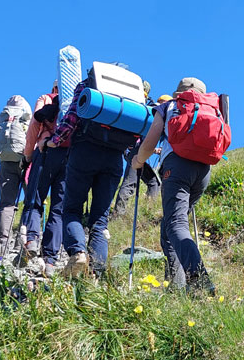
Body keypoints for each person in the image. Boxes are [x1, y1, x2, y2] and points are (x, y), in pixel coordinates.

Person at [132, 79, 215, 295]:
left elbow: (150, 141)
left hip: (176, 167)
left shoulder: (170, 106)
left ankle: (198, 278)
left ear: (179, 93)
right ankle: (177, 289)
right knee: (170, 228)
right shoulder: (212, 108)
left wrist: (138, 161)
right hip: (203, 171)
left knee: (175, 224)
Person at [46, 77, 134, 279]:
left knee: (71, 210)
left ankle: (78, 252)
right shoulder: (129, 93)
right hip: (114, 158)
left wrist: (55, 141)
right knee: (100, 221)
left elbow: (72, 118)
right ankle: (97, 274)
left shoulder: (88, 84)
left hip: (85, 151)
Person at [20, 83, 68, 276]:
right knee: (58, 208)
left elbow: (34, 124)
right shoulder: (77, 102)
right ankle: (50, 260)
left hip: (45, 150)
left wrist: (28, 155)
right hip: (69, 156)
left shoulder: (46, 99)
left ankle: (31, 239)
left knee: (34, 199)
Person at [113, 90, 163, 216]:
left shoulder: (143, 109)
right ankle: (118, 214)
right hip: (135, 150)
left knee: (153, 181)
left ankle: (148, 208)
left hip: (133, 149)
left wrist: (154, 150)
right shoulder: (152, 110)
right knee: (131, 181)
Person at [0, 95, 31, 247]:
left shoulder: (5, 115)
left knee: (7, 204)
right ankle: (22, 240)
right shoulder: (27, 113)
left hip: (6, 161)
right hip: (26, 160)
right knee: (30, 201)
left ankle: (3, 241)